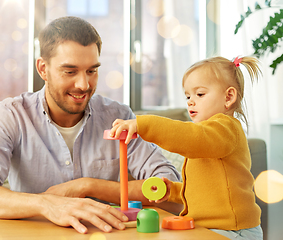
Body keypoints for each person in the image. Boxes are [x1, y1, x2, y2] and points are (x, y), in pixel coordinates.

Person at [0, 16, 181, 234]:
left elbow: (170, 187)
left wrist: (87, 186)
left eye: (92, 71)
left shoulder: (118, 115)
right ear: (43, 69)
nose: (83, 85)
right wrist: (47, 204)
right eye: (70, 71)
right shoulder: (12, 115)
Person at [110, 56, 263, 240]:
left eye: (199, 94)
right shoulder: (208, 136)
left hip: (232, 230)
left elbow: (190, 137)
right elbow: (203, 189)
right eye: (188, 96)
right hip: (210, 228)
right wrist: (173, 191)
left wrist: (145, 124)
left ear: (228, 97)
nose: (190, 101)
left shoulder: (225, 129)